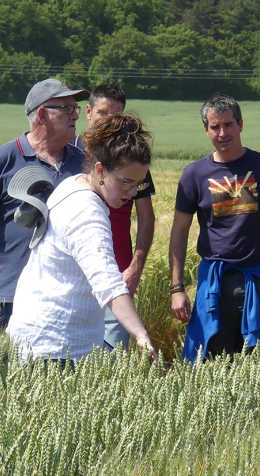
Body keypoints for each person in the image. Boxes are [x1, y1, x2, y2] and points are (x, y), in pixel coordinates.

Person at [7, 113, 155, 363]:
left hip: (36, 340)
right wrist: (140, 334)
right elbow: (108, 282)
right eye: (125, 182)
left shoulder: (72, 184)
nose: (131, 193)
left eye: (138, 185)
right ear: (100, 169)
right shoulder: (87, 211)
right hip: (55, 349)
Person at [169, 93, 260, 360]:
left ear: (240, 124)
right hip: (215, 283)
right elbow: (179, 231)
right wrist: (177, 289)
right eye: (215, 127)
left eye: (228, 125)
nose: (222, 132)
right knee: (210, 365)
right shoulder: (194, 174)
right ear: (206, 130)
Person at [0, 79, 88, 329]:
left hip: (71, 298)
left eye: (76, 108)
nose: (75, 116)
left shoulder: (83, 163)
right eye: (67, 108)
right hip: (14, 298)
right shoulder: (6, 158)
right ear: (42, 114)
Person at [73, 84, 157, 350]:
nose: (108, 122)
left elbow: (146, 216)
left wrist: (135, 266)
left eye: (115, 116)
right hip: (75, 277)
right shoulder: (68, 154)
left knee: (111, 360)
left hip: (117, 275)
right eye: (102, 113)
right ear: (88, 111)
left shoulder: (131, 160)